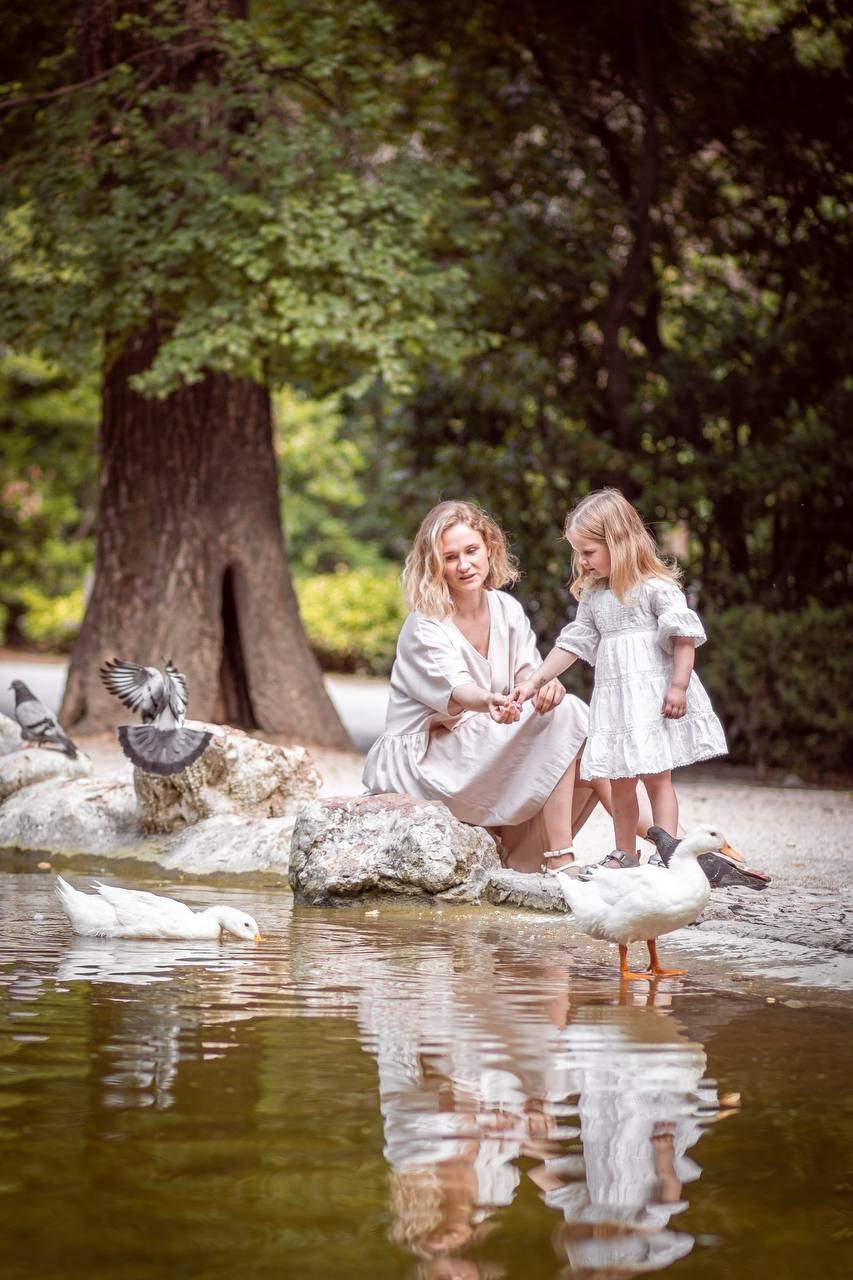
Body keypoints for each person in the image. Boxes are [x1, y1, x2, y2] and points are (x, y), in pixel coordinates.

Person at [362, 499, 655, 872]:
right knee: (569, 723)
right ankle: (567, 859)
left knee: (572, 724)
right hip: (426, 760)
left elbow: (528, 681)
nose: (465, 565)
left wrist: (548, 689)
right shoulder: (425, 625)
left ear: (490, 548)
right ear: (434, 564)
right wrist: (490, 701)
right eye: (450, 557)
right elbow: (460, 691)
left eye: (471, 550)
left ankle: (667, 841)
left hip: (477, 745)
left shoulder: (505, 608)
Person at [513, 488, 727, 867]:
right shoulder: (594, 596)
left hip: (653, 698)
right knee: (619, 780)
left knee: (658, 779)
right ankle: (625, 852)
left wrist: (678, 686)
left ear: (619, 542)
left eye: (588, 552)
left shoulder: (655, 588)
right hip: (617, 702)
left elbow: (683, 639)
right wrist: (535, 680)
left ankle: (670, 853)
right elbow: (574, 642)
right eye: (578, 552)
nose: (582, 561)